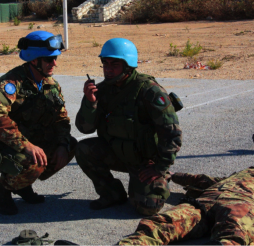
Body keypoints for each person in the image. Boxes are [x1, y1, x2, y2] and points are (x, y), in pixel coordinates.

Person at [74, 38, 182, 215]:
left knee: (148, 207)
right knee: (83, 148)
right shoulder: (101, 90)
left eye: (114, 64)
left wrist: (159, 167)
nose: (108, 69)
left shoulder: (149, 91)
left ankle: (160, 180)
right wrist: (89, 103)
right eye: (105, 63)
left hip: (144, 160)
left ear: (128, 65)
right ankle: (111, 194)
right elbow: (84, 129)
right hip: (117, 153)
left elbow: (172, 134)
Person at [0, 31, 77, 215]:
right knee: (34, 161)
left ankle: (23, 184)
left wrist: (63, 144)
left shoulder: (51, 85)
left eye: (55, 58)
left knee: (71, 145)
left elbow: (61, 120)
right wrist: (26, 146)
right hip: (6, 144)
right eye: (49, 59)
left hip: (31, 140)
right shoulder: (11, 83)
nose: (54, 63)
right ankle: (2, 188)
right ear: (34, 60)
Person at [118, 167, 254, 246]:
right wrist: (174, 175)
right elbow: (203, 180)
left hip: (242, 204)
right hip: (204, 203)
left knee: (236, 233)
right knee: (162, 224)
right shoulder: (246, 173)